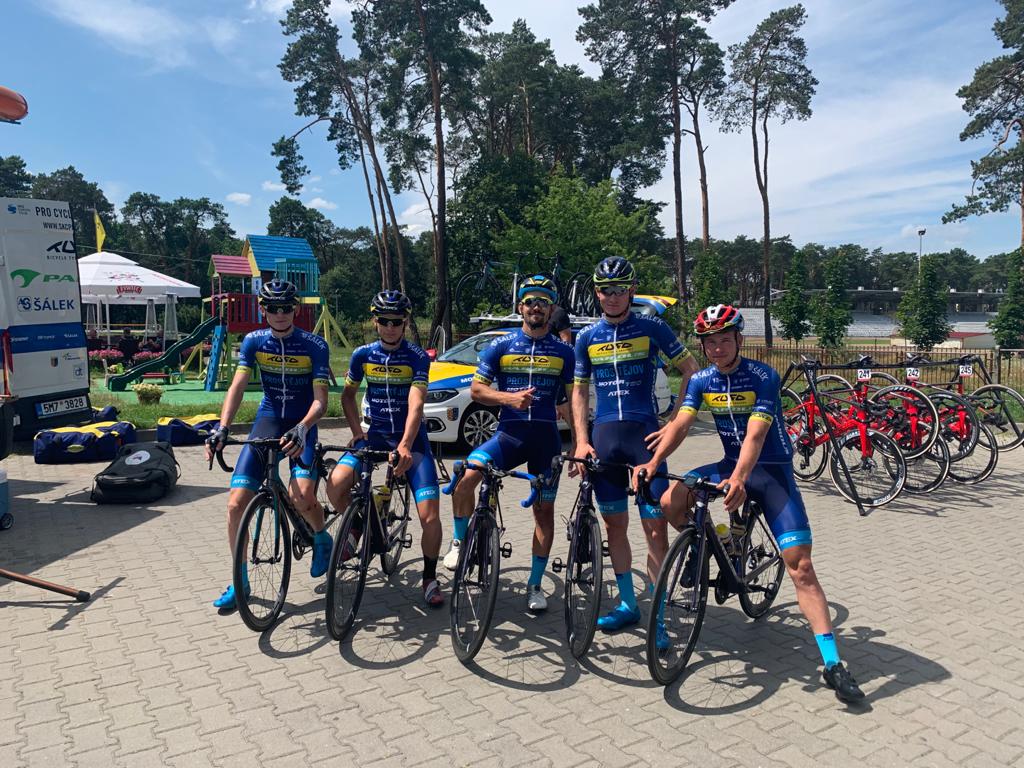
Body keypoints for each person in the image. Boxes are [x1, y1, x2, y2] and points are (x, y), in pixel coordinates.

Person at [633, 304, 865, 703]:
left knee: (801, 567)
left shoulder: (763, 376)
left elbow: (756, 436)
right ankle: (712, 542)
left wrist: (740, 478)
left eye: (724, 340)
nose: (717, 348)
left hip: (770, 472)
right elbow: (682, 424)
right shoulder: (701, 380)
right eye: (710, 342)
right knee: (671, 500)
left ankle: (832, 663)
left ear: (739, 339)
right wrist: (653, 463)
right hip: (728, 464)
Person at [572, 256, 699, 635]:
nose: (612, 296)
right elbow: (578, 391)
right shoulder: (586, 337)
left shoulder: (651, 327)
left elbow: (692, 370)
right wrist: (581, 440)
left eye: (620, 289)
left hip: (645, 439)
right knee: (615, 526)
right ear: (597, 293)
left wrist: (675, 421)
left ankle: (657, 617)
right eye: (605, 290)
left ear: (631, 290)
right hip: (604, 442)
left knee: (655, 529)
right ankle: (628, 604)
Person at [444, 275, 574, 612]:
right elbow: (477, 390)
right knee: (465, 478)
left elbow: (569, 402)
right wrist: (509, 399)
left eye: (543, 302)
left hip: (545, 442)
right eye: (530, 301)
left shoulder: (564, 352)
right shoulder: (500, 346)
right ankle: (459, 540)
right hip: (508, 436)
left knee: (543, 513)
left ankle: (535, 585)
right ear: (520, 307)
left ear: (551, 309)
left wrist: (579, 442)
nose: (536, 307)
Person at [204, 279, 332, 610]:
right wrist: (222, 427)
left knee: (301, 496)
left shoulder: (314, 345)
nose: (279, 313)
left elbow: (321, 400)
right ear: (263, 309)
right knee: (236, 505)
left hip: (303, 423)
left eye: (286, 307)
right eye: (273, 308)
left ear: (295, 309)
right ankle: (240, 581)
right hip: (269, 419)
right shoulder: (254, 341)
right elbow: (237, 386)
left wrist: (303, 428)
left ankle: (321, 537)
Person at [327, 290, 445, 606]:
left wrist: (405, 445)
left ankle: (429, 577)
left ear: (405, 322)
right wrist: (357, 432)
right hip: (375, 436)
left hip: (412, 442)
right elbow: (347, 396)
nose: (390, 327)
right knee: (335, 485)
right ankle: (358, 524)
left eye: (396, 321)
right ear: (374, 321)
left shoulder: (417, 357)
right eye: (384, 321)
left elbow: (416, 403)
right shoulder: (362, 355)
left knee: (429, 517)